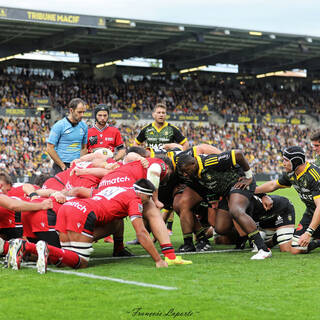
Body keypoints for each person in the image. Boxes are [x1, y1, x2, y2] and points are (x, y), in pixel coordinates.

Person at [5, 179, 169, 273]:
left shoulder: (116, 188)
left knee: (65, 258)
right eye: (149, 198)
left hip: (68, 207)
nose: (150, 202)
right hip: (83, 213)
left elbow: (83, 192)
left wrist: (65, 194)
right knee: (81, 262)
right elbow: (140, 232)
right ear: (142, 194)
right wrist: (158, 259)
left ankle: (25, 247)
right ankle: (41, 248)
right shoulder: (135, 199)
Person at [176, 150, 272, 259]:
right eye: (183, 172)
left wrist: (249, 177)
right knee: (221, 228)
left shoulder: (209, 162)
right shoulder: (193, 173)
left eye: (186, 170)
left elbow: (238, 154)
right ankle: (250, 233)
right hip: (226, 192)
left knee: (236, 210)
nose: (185, 174)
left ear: (194, 164)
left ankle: (263, 248)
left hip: (240, 183)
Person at [255, 146, 320, 254]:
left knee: (303, 240)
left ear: (295, 161)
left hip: (318, 210)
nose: (283, 163)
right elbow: (272, 185)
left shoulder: (314, 175)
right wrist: (252, 190)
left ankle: (315, 236)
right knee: (295, 249)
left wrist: (308, 233)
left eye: (286, 160)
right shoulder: (291, 174)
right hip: (311, 212)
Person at [47, 98, 88, 175]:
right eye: (79, 112)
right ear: (71, 110)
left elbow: (84, 148)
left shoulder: (84, 126)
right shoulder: (59, 125)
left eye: (83, 112)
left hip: (76, 166)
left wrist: (80, 163)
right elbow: (49, 148)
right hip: (60, 166)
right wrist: (63, 166)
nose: (82, 115)